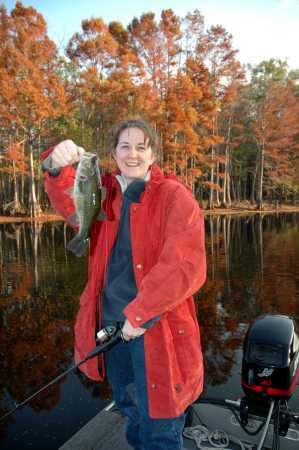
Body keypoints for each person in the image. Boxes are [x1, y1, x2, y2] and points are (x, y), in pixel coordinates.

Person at [41, 119, 206, 450]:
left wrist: (141, 313)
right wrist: (55, 166)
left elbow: (184, 266)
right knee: (130, 409)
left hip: (157, 331)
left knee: (160, 425)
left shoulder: (174, 197)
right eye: (124, 146)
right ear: (113, 153)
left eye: (141, 147)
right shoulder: (105, 193)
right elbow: (72, 203)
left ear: (153, 154)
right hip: (113, 328)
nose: (132, 154)